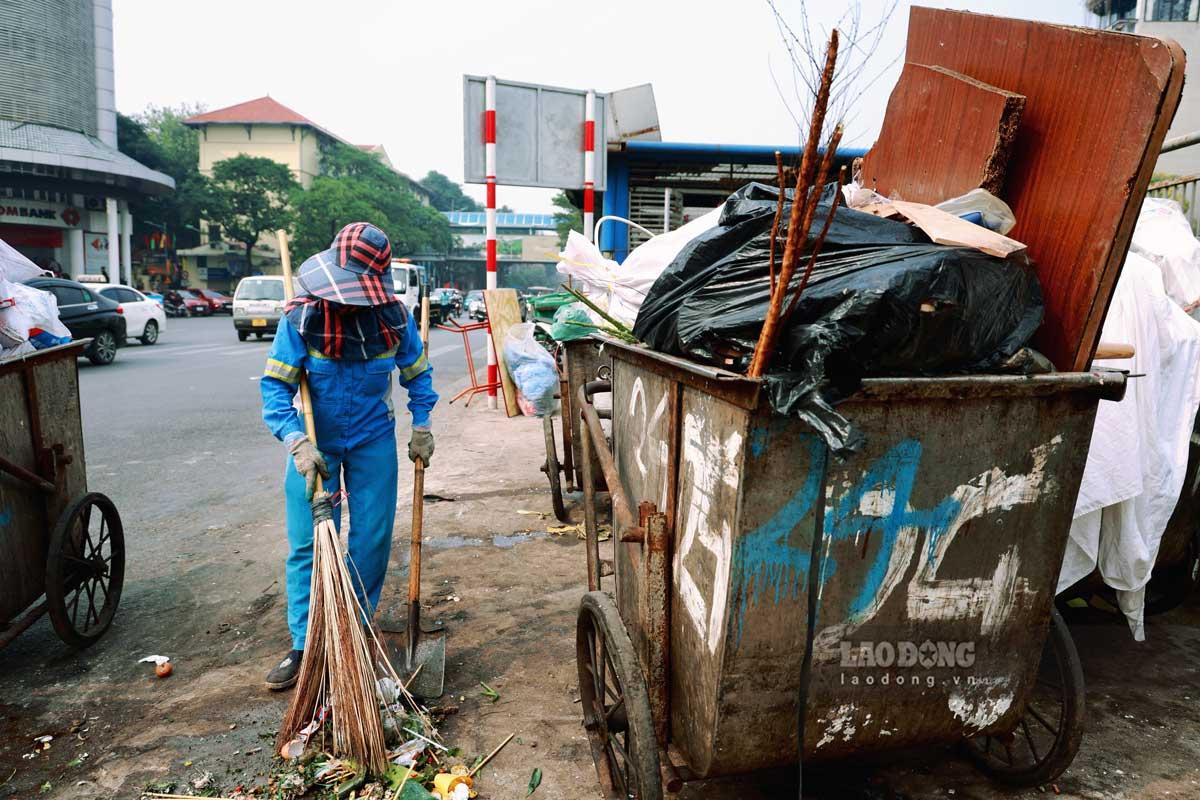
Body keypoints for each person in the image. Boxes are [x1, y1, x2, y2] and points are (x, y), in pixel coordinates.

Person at [258, 222, 437, 690]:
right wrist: (296, 441)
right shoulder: (301, 319)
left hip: (373, 439)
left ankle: (352, 630)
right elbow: (275, 387)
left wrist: (422, 425)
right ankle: (304, 643)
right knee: (308, 541)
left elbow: (418, 376)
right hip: (316, 445)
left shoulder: (394, 319)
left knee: (371, 539)